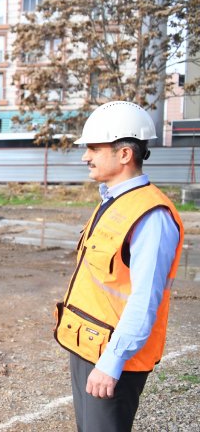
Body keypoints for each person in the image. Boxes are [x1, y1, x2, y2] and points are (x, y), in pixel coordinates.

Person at [54, 101, 184, 431]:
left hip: (113, 357)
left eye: (94, 148)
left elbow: (144, 300)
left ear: (124, 154)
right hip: (88, 344)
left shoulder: (151, 216)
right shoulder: (113, 202)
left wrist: (111, 363)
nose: (86, 156)